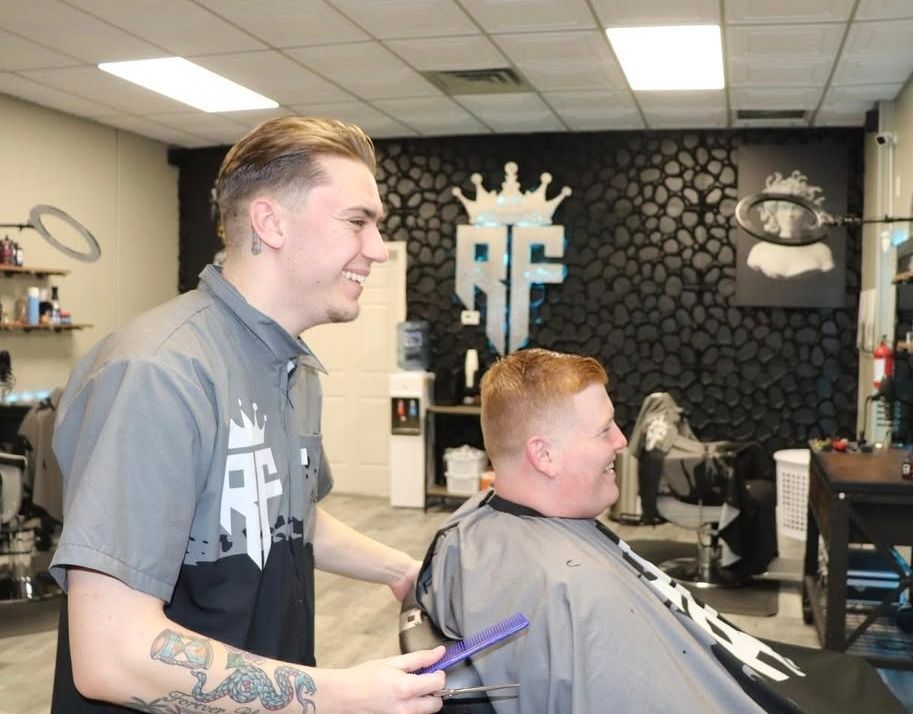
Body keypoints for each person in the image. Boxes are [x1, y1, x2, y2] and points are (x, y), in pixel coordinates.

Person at [49, 116, 445, 713]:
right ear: (271, 223)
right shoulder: (159, 373)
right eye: (357, 222)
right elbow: (110, 652)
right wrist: (337, 695)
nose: (378, 250)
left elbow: (280, 518)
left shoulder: (293, 366)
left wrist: (400, 568)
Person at [416, 348, 904, 714]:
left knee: (849, 674)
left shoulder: (471, 527)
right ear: (544, 455)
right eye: (604, 429)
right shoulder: (572, 592)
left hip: (751, 674)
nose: (622, 440)